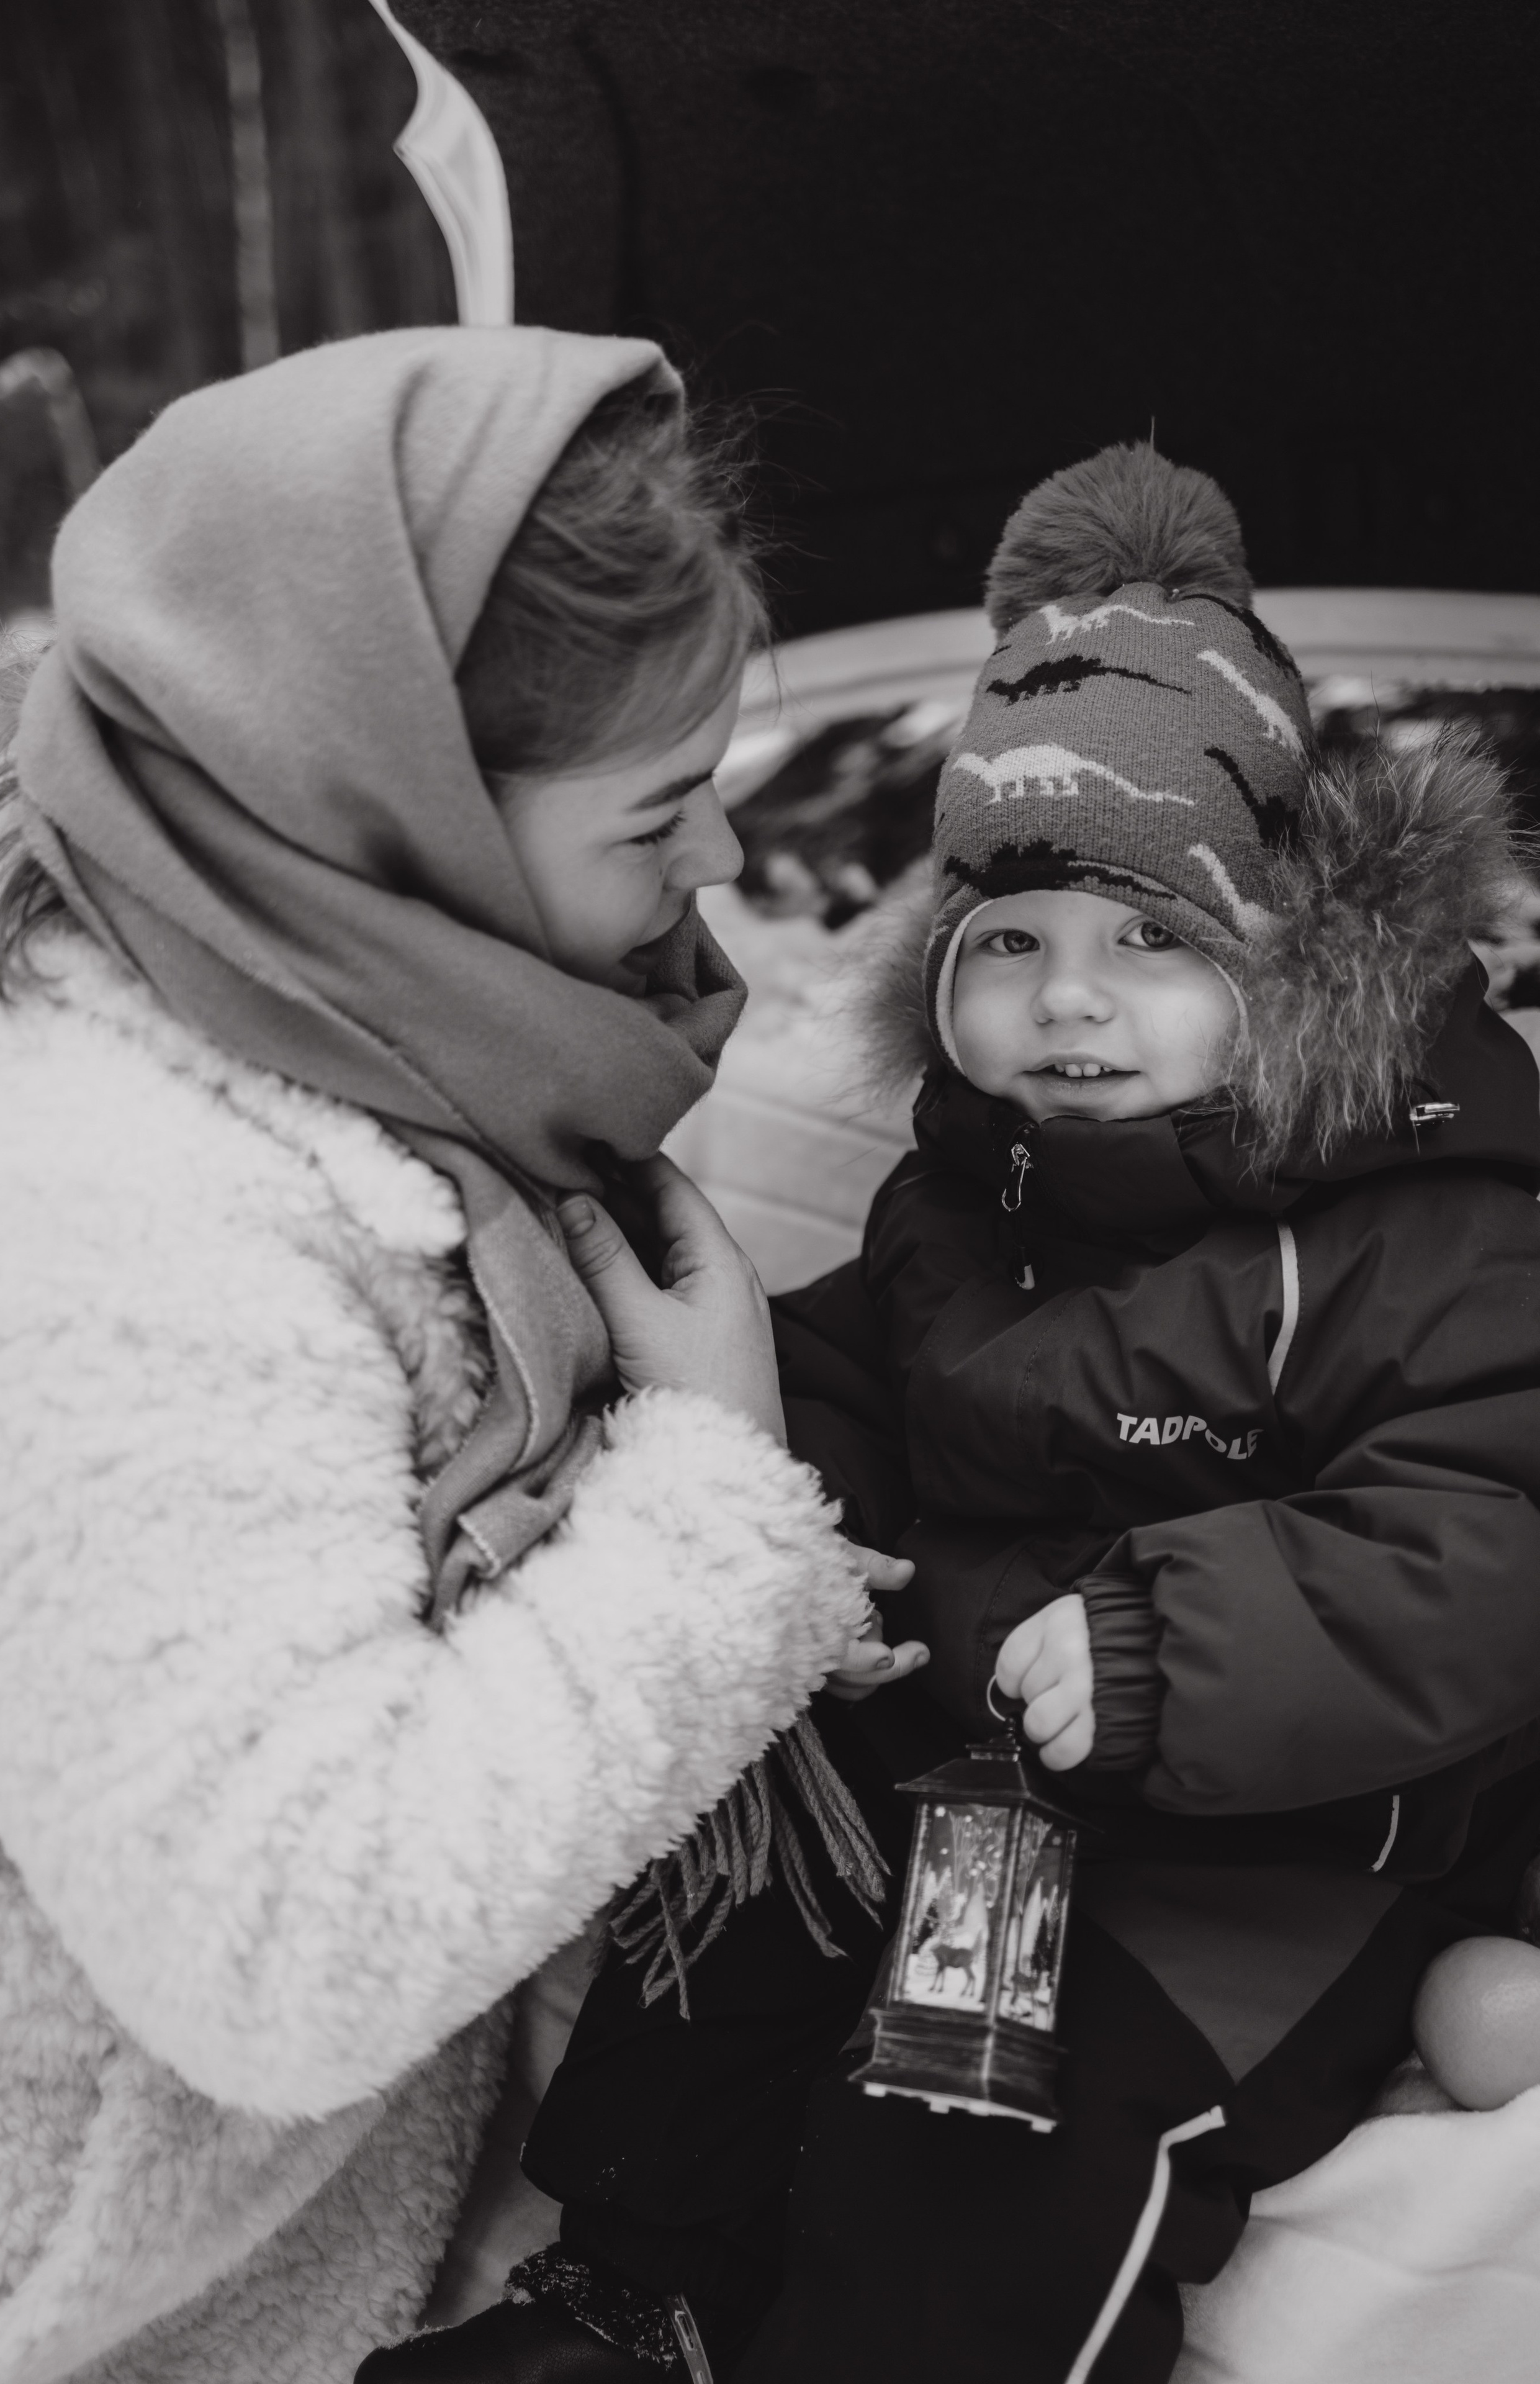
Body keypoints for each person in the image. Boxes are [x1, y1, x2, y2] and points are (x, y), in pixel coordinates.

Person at [405, 445, 1540, 2384]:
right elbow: (863, 1375)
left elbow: (1483, 1535)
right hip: (968, 1769)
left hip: (1264, 1840)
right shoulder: (971, 1188)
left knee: (987, 2146)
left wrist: (1170, 1648)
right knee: (735, 1917)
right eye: (1010, 942)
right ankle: (629, 2293)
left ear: (1293, 953)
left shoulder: (1424, 1216)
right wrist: (794, 1516)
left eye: (1153, 941)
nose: (1065, 1002)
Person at [0, 325, 898, 2384]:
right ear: (387, 809)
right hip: (138, 2310)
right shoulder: (104, 1240)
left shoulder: (333, 1005)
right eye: (660, 817)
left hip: (372, 2211)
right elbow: (288, 1954)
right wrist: (715, 1501)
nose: (720, 873)